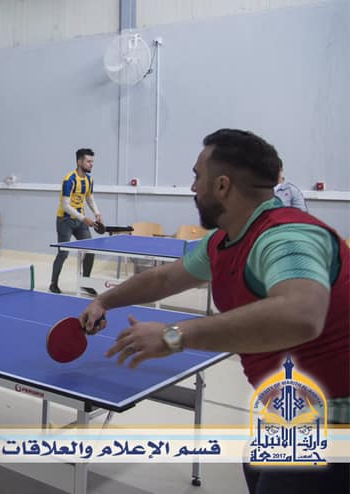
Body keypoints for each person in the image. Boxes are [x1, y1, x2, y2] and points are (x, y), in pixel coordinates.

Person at [78, 129, 348, 494]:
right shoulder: (226, 239)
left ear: (222, 185)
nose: (192, 187)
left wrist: (174, 336)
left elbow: (300, 315)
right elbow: (163, 278)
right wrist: (104, 301)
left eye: (197, 176)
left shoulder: (287, 236)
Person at [50, 148, 102, 295]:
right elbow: (66, 206)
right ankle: (53, 283)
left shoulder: (89, 180)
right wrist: (84, 218)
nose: (91, 164)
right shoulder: (69, 180)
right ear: (79, 161)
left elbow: (89, 198)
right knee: (63, 253)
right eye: (88, 161)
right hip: (65, 221)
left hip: (80, 222)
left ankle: (85, 283)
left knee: (90, 250)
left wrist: (97, 213)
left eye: (92, 161)